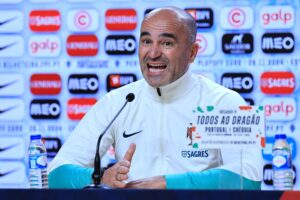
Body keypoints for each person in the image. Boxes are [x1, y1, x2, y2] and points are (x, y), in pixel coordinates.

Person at [48, 6, 262, 189]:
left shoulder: (225, 102)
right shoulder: (119, 101)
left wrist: (166, 184)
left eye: (166, 43)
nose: (153, 53)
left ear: (192, 52)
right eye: (146, 41)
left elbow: (250, 179)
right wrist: (101, 177)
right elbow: (55, 173)